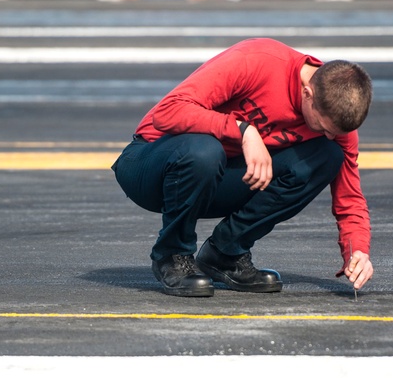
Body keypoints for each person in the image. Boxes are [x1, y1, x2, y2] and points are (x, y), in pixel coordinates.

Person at [112, 37, 373, 297]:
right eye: (322, 127)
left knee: (328, 155)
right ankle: (171, 255)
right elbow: (167, 112)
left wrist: (358, 251)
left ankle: (224, 253)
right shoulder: (259, 60)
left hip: (212, 178)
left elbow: (349, 198)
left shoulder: (335, 124)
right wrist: (244, 131)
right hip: (150, 164)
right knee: (205, 151)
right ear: (308, 94)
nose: (327, 135)